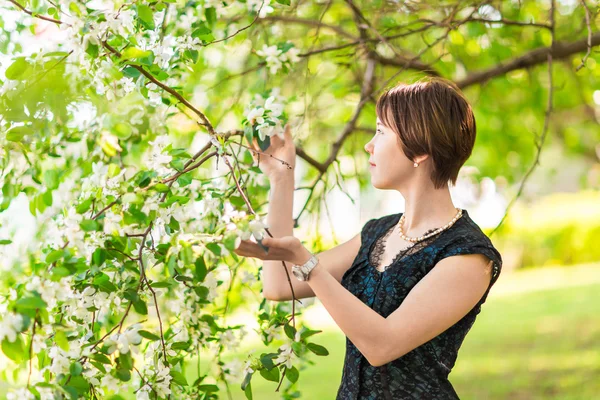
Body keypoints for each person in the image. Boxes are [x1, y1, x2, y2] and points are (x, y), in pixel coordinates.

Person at [234, 76, 502, 399]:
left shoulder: (469, 256)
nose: (368, 145)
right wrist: (281, 178)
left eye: (380, 131)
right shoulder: (378, 233)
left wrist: (309, 263)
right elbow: (279, 285)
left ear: (419, 149)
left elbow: (382, 344)